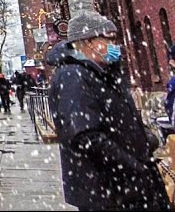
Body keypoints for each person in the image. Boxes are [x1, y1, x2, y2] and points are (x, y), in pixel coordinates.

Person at [48, 11, 172, 211]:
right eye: (109, 39)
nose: (115, 46)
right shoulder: (73, 76)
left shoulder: (100, 73)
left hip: (126, 189)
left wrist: (143, 139)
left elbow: (118, 120)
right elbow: (85, 135)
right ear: (88, 41)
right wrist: (132, 165)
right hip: (111, 193)